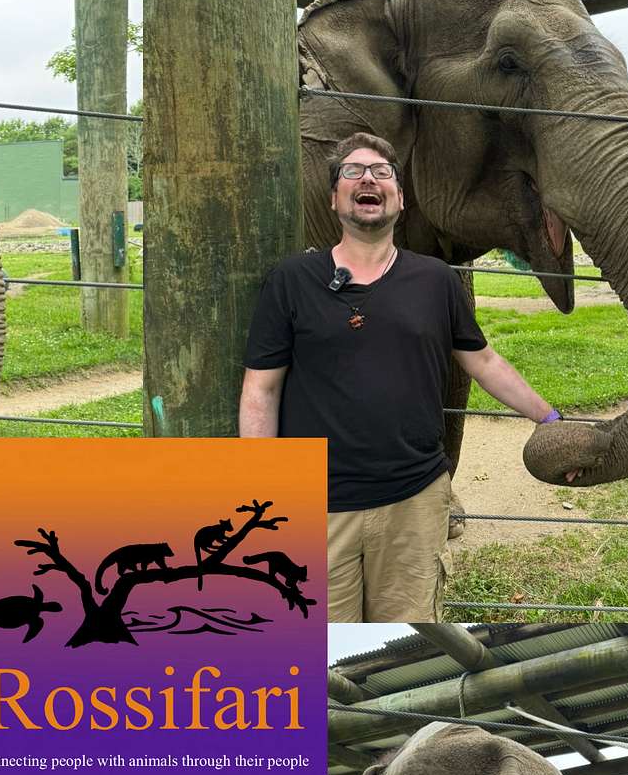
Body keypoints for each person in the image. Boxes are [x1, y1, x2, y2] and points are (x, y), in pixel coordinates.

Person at [239, 131, 570, 623]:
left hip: (414, 499)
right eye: (352, 171)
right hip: (316, 506)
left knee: (412, 625)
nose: (368, 178)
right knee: (313, 645)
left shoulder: (436, 279)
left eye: (382, 172)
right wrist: (264, 494)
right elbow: (260, 388)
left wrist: (551, 419)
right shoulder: (292, 280)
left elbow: (483, 362)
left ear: (400, 198)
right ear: (334, 199)